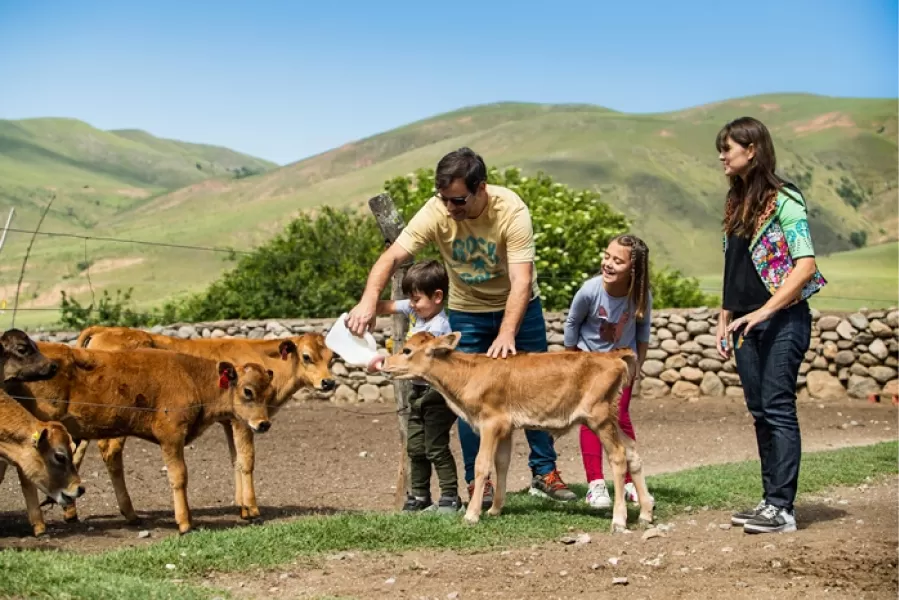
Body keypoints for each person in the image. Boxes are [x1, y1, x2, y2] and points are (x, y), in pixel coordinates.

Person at [347, 147, 576, 508]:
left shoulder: (511, 210)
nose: (450, 209)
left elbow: (521, 280)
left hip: (519, 307)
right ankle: (478, 483)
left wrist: (507, 332)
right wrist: (367, 301)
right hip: (468, 310)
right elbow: (391, 257)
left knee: (536, 386)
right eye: (444, 199)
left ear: (480, 187)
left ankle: (544, 472)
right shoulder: (437, 210)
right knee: (470, 398)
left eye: (457, 200)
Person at [714, 116, 827, 534]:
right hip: (743, 323)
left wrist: (765, 310)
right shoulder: (733, 201)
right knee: (760, 412)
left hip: (782, 320)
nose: (722, 157)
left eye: (728, 148)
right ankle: (769, 502)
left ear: (753, 149)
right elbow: (733, 266)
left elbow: (805, 265)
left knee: (778, 409)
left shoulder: (784, 198)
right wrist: (725, 317)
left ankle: (783, 508)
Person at [564, 233, 655, 510]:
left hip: (620, 365)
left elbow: (643, 330)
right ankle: (596, 485)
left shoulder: (640, 296)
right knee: (592, 419)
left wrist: (638, 363)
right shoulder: (590, 290)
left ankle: (629, 482)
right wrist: (571, 361)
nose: (608, 264)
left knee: (621, 417)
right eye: (606, 257)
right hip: (588, 364)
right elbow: (572, 323)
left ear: (634, 269)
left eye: (618, 260)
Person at [368, 260, 462, 514]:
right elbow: (386, 305)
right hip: (417, 391)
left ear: (438, 297)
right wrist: (367, 309)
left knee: (435, 446)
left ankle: (450, 497)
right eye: (410, 298)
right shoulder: (415, 311)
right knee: (415, 446)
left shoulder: (439, 328)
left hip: (436, 393)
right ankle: (419, 496)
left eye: (417, 299)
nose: (412, 303)